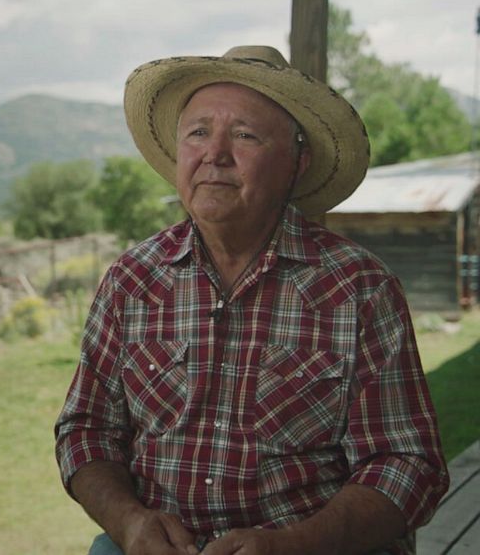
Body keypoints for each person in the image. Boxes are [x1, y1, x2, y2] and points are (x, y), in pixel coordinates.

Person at [54, 46, 448, 555]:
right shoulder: (132, 281)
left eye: (244, 135)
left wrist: (296, 544)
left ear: (296, 164)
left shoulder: (359, 288)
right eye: (198, 132)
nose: (214, 153)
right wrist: (129, 523)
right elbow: (86, 428)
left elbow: (408, 461)